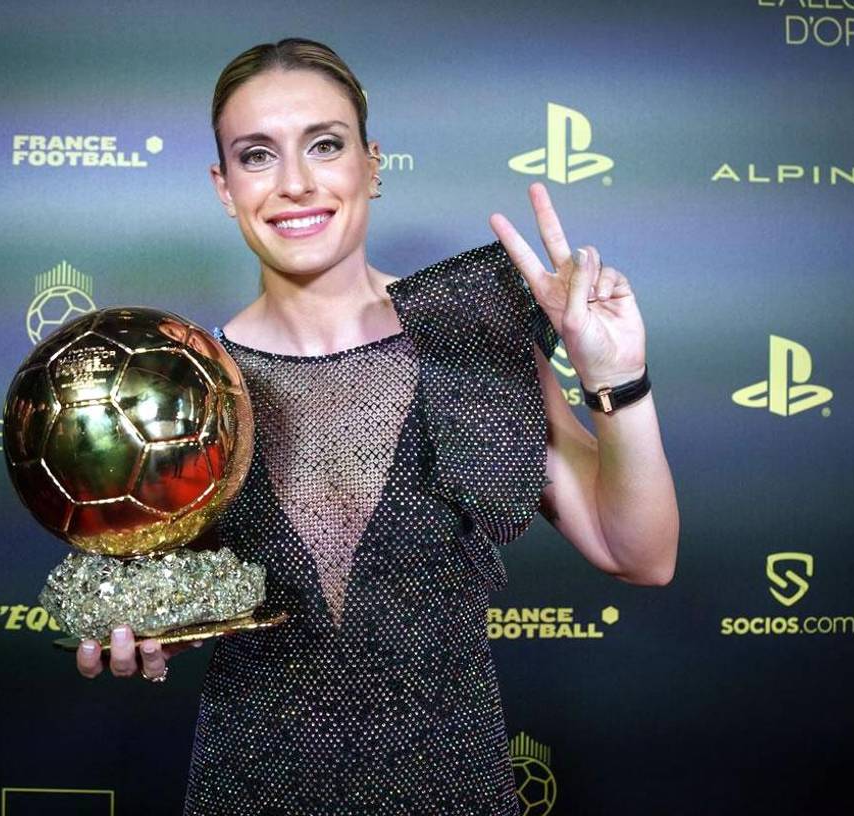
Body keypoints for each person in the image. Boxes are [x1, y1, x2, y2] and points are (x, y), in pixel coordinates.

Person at [77, 37, 678, 814]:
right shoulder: (187, 391)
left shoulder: (467, 331)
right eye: (257, 157)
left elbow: (641, 553)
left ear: (372, 163)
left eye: (324, 146)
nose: (295, 184)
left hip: (451, 791)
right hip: (248, 792)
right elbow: (155, 598)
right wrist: (136, 626)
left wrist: (615, 378)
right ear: (224, 188)